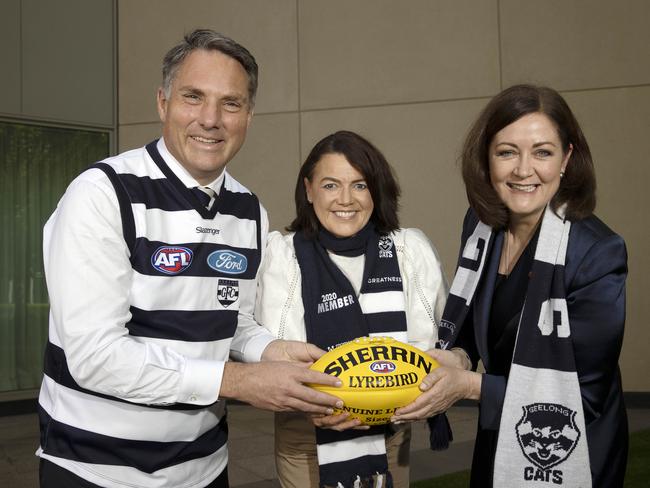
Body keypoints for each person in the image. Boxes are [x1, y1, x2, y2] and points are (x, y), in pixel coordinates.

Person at [36, 29, 343, 488]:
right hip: (94, 470)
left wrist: (273, 352)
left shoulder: (249, 210)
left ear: (249, 116)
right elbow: (96, 358)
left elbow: (231, 321)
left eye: (231, 103)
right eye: (193, 97)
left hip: (205, 468)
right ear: (163, 103)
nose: (211, 119)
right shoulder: (103, 193)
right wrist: (238, 382)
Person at [393, 84, 628, 487]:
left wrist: (467, 386)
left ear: (567, 159)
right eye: (507, 152)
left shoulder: (598, 253)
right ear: (487, 158)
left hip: (567, 445)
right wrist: (459, 358)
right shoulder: (481, 224)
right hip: (500, 428)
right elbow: (471, 321)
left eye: (542, 152)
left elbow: (584, 396)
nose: (523, 170)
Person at [255, 130, 448, 487]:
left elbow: (431, 348)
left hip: (394, 435)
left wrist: (392, 399)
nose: (346, 199)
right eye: (330, 185)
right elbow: (275, 356)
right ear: (309, 189)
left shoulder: (408, 252)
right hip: (309, 440)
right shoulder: (283, 257)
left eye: (359, 185)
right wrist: (326, 403)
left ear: (377, 190)